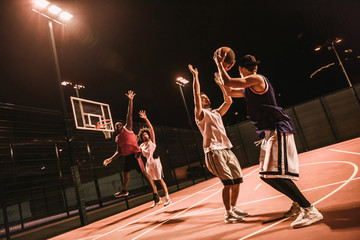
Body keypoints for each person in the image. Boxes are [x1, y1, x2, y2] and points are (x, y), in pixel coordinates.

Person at [214, 51, 323, 228]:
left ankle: (309, 209)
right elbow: (230, 91)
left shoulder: (257, 79)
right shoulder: (249, 87)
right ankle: (298, 205)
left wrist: (219, 64)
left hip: (277, 128)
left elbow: (230, 82)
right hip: (269, 132)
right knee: (266, 176)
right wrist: (221, 81)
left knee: (271, 175)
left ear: (241, 68)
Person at [188, 63, 249, 224]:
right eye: (203, 98)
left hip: (226, 149)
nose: (206, 98)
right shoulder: (200, 114)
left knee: (237, 180)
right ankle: (228, 213)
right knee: (228, 183)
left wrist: (222, 85)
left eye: (206, 97)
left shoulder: (215, 112)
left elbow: (228, 101)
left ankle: (234, 208)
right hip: (213, 151)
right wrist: (195, 77)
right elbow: (195, 95)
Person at [103, 90, 161, 207]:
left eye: (120, 125)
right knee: (126, 173)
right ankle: (124, 190)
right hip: (127, 157)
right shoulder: (118, 139)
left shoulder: (127, 128)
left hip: (135, 155)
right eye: (116, 126)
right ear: (115, 130)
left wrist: (130, 100)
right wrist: (110, 159)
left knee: (144, 174)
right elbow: (119, 152)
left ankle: (156, 195)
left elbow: (129, 114)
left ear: (122, 126)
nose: (118, 126)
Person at [138, 110, 172, 207]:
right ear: (142, 137)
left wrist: (145, 118)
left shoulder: (152, 142)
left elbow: (151, 129)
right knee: (152, 183)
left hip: (156, 163)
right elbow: (136, 153)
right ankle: (157, 199)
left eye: (146, 134)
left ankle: (167, 197)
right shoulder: (141, 146)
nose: (145, 135)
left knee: (160, 179)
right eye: (143, 135)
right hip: (148, 165)